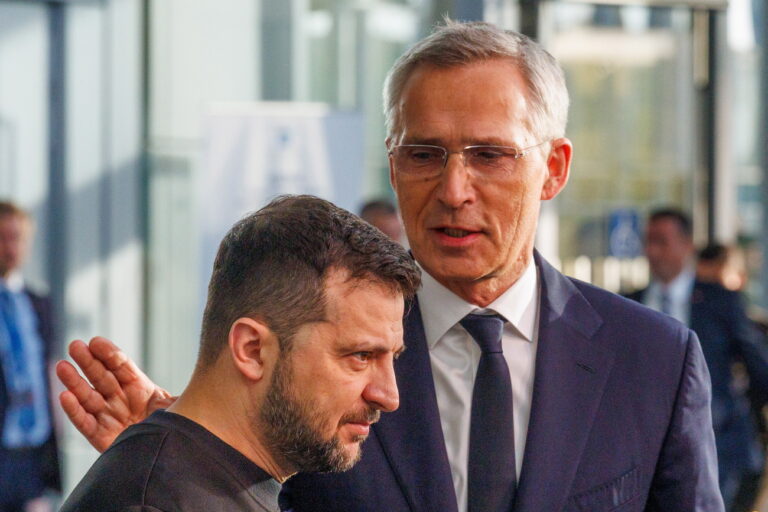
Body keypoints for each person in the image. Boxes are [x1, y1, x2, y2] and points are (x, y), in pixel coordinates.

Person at [58, 21, 724, 512]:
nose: (454, 189)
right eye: (424, 153)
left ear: (553, 169)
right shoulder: (310, 347)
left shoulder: (655, 363)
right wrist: (198, 458)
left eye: (489, 156)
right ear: (392, 161)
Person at [57, 195, 420, 511]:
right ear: (252, 350)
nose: (389, 396)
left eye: (393, 357)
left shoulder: (201, 480)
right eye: (360, 356)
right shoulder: (153, 501)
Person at [627, 207, 768, 510]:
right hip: (645, 453)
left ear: (686, 245)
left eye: (662, 241)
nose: (652, 251)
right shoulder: (627, 305)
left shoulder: (719, 300)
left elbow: (757, 364)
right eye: (648, 241)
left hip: (719, 449)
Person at [0, 201, 60, 512]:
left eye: (17, 237)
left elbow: (45, 371)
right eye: (3, 237)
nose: (11, 247)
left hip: (32, 452)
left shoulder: (38, 302)